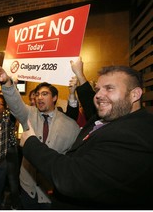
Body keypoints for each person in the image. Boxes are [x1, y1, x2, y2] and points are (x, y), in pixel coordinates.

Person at [19, 58, 153, 209]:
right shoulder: (116, 115)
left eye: (109, 88)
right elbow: (91, 104)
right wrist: (80, 76)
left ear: (135, 94)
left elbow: (72, 177)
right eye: (98, 90)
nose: (98, 95)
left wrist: (31, 143)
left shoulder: (134, 135)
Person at [0, 68, 80, 209]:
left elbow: (73, 162)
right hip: (28, 189)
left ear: (55, 98)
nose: (39, 97)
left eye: (45, 94)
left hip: (53, 192)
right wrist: (7, 82)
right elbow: (15, 103)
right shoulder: (29, 114)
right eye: (37, 94)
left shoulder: (70, 126)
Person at [0, 84, 21, 209]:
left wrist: (12, 87)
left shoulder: (11, 109)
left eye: (2, 91)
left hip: (10, 149)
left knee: (12, 181)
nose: (1, 93)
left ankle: (15, 205)